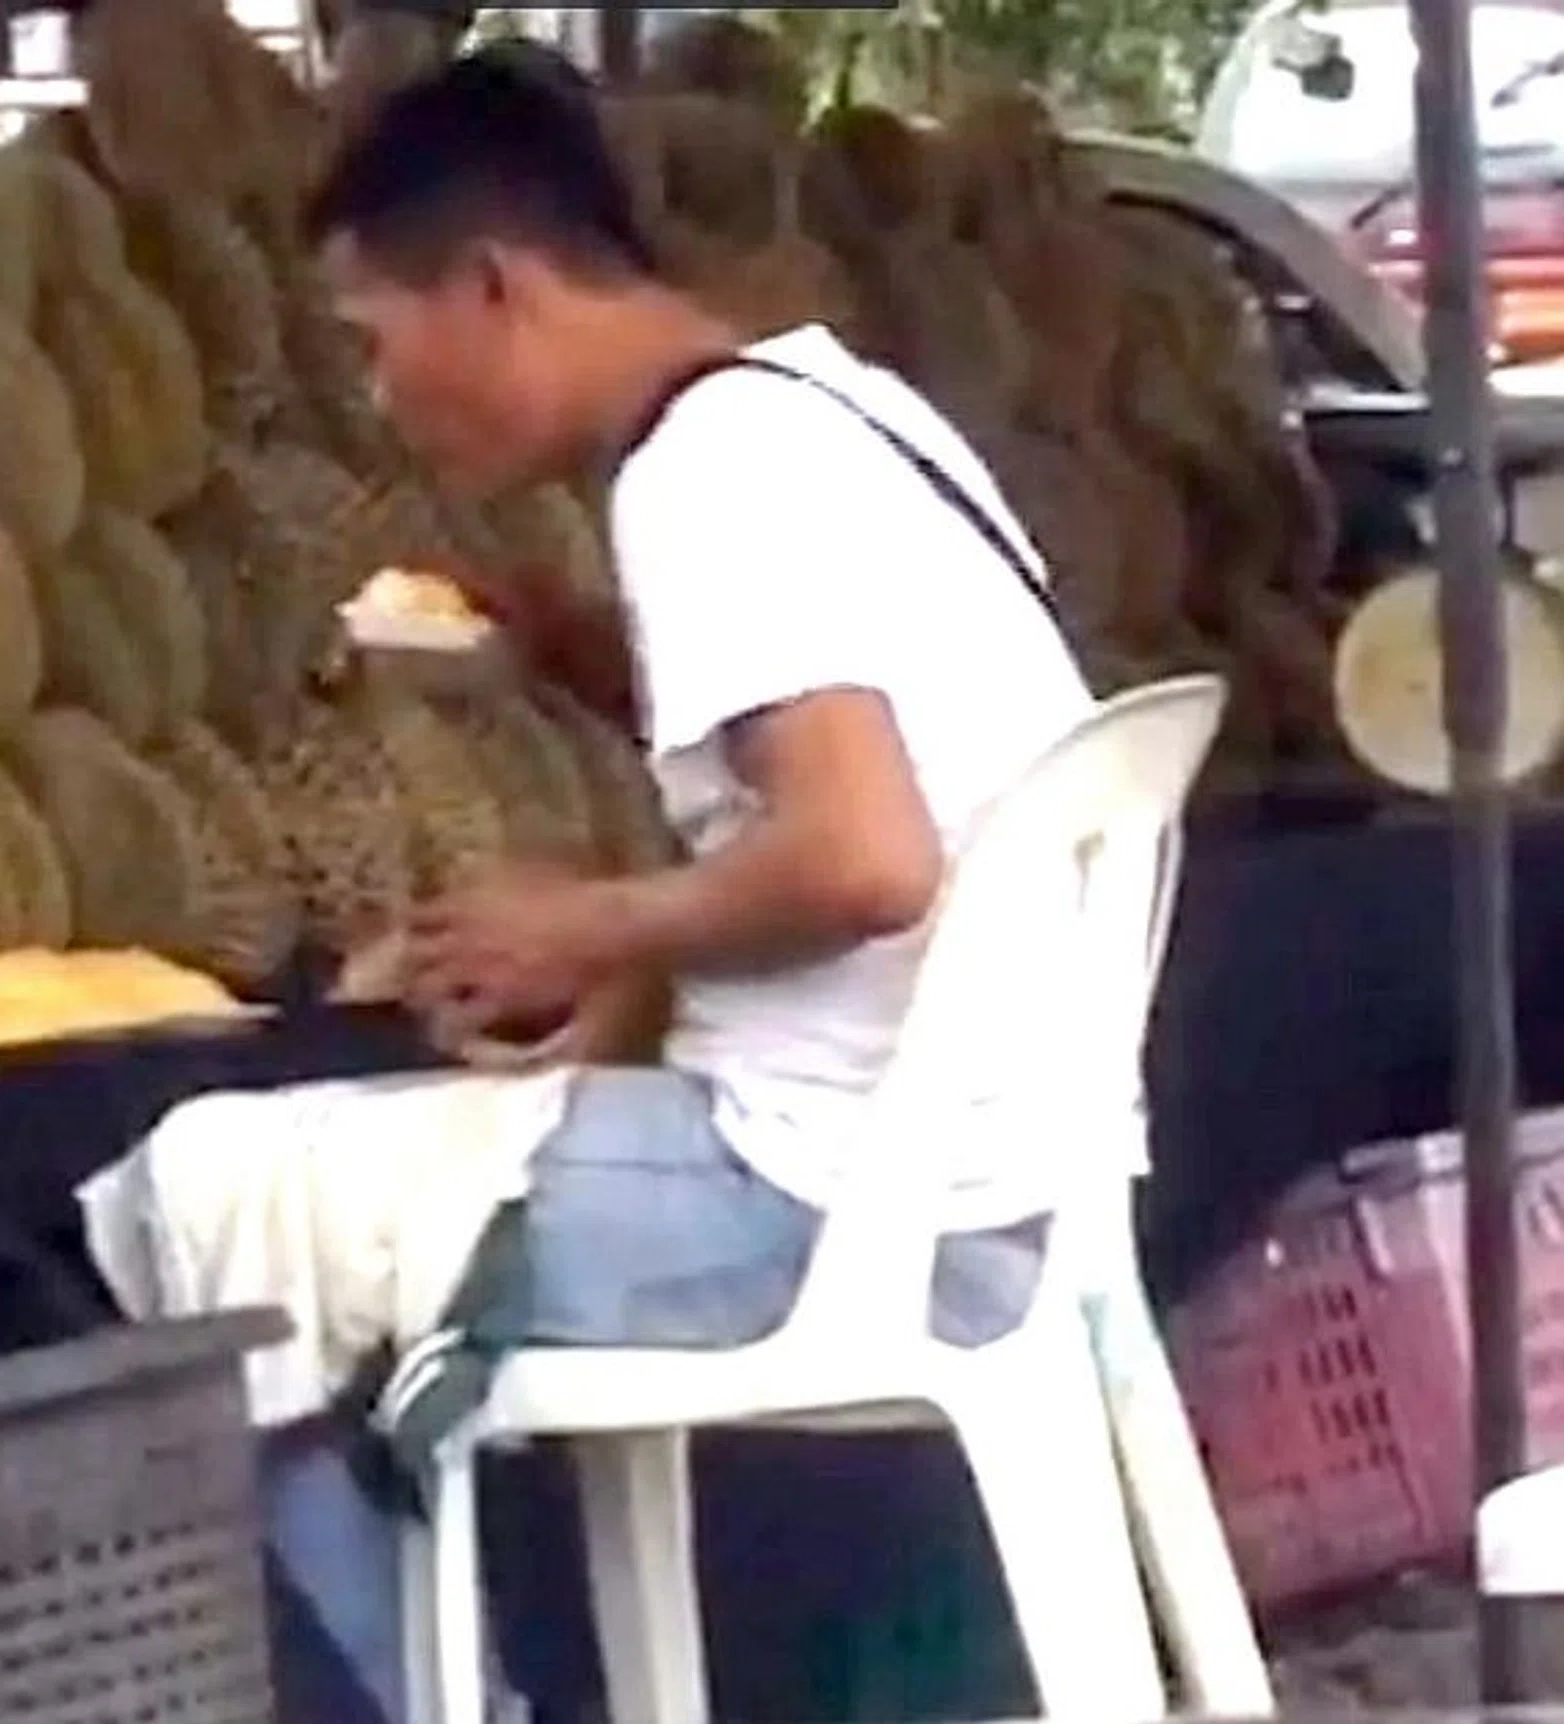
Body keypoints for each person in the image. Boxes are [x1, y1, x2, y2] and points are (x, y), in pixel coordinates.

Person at [271, 43, 1094, 1724]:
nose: (376, 401)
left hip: (834, 1206)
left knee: (207, 1237)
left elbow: (865, 858)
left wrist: (584, 922)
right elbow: (838, 801)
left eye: (373, 343)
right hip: (1010, 1177)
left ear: (492, 287)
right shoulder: (845, 407)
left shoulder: (703, 473)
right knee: (320, 1203)